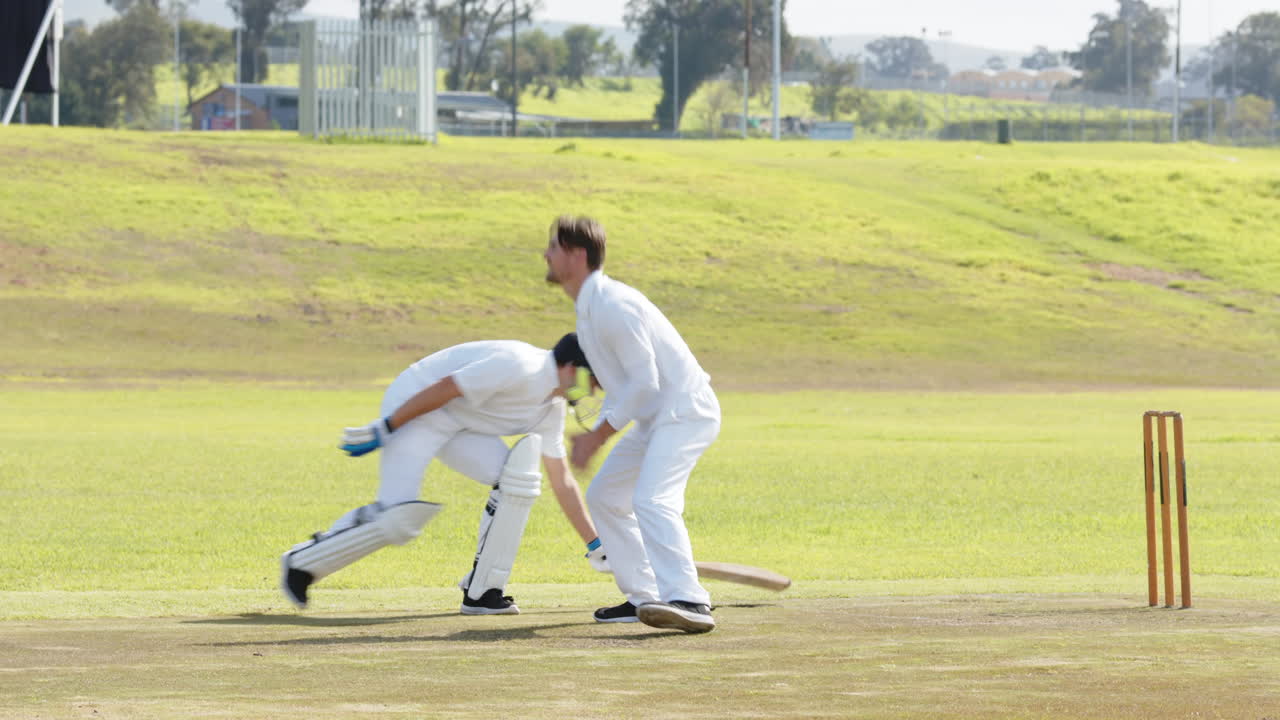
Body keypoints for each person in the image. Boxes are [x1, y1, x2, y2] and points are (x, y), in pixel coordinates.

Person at [279, 335, 610, 615]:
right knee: (397, 521)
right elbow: (448, 387)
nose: (591, 393)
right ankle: (301, 561)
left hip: (460, 425)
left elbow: (562, 480)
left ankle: (482, 591)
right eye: (591, 382)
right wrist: (388, 426)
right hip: (418, 406)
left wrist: (595, 543)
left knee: (519, 481)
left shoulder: (550, 410)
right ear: (570, 368)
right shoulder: (518, 364)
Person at [543, 215, 722, 634]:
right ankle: (644, 596)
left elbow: (645, 384)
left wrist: (596, 437)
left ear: (577, 255)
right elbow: (625, 385)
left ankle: (691, 599)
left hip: (685, 412)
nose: (546, 255)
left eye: (554, 247)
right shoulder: (588, 310)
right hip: (654, 418)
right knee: (606, 496)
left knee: (652, 500)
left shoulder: (613, 305)